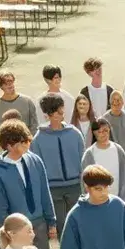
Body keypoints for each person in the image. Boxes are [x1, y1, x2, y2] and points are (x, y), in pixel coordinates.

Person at [0, 119, 58, 249]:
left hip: (39, 223)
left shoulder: (35, 160)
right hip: (18, 230)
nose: (28, 143)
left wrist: (51, 221)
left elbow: (45, 192)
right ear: (9, 145)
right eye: (23, 142)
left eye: (27, 140)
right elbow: (0, 208)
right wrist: (10, 233)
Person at [35, 93, 87, 222]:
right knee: (61, 225)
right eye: (55, 112)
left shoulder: (75, 134)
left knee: (79, 221)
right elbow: (38, 168)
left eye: (60, 110)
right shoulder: (38, 139)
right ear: (47, 114)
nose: (59, 115)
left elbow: (83, 160)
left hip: (75, 186)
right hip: (53, 189)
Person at [81, 118, 125, 203]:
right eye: (99, 131)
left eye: (105, 130)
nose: (103, 134)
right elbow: (85, 181)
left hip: (118, 199)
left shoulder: (118, 149)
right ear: (94, 133)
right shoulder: (89, 153)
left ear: (109, 130)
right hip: (97, 201)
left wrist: (122, 199)